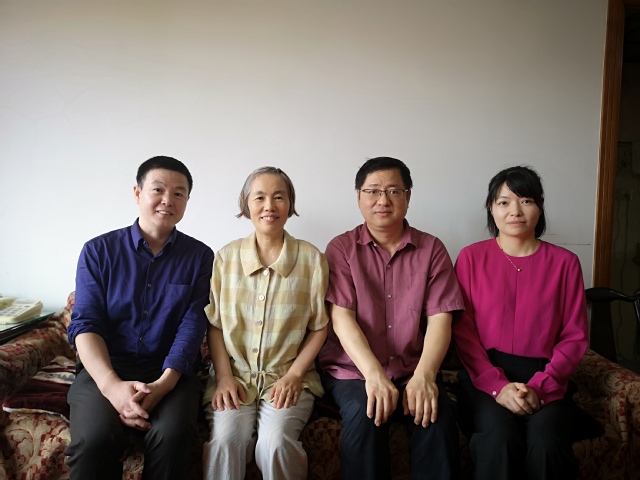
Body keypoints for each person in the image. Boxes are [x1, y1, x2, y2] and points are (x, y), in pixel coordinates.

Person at [65, 156, 214, 480]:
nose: (168, 200)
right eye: (158, 190)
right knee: (94, 440)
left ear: (187, 200)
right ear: (137, 193)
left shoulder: (200, 257)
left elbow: (192, 325)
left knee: (173, 436)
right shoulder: (98, 251)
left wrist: (162, 386)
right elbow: (86, 323)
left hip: (170, 373)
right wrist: (112, 387)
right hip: (107, 367)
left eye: (179, 193)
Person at [317, 157, 464, 480]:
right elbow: (341, 318)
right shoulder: (341, 248)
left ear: (408, 197)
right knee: (365, 414)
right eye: (373, 191)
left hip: (413, 368)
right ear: (359, 197)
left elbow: (441, 319)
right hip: (354, 371)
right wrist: (373, 374)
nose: (383, 200)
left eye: (393, 191)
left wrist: (425, 376)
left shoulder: (432, 249)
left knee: (435, 418)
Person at [452, 165, 588, 480]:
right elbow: (463, 332)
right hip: (484, 376)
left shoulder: (565, 263)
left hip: (546, 375)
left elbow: (574, 336)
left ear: (540, 207)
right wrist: (497, 386)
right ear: (491, 208)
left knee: (545, 442)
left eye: (526, 200)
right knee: (497, 438)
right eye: (504, 202)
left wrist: (541, 387)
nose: (515, 211)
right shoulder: (470, 258)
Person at [202, 166, 329, 480]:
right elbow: (215, 325)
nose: (269, 206)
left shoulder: (312, 260)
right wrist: (224, 377)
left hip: (287, 377)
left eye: (279, 197)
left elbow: (319, 326)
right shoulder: (226, 258)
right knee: (225, 441)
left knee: (275, 444)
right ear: (246, 204)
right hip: (235, 377)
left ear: (290, 204)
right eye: (259, 197)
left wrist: (295, 375)